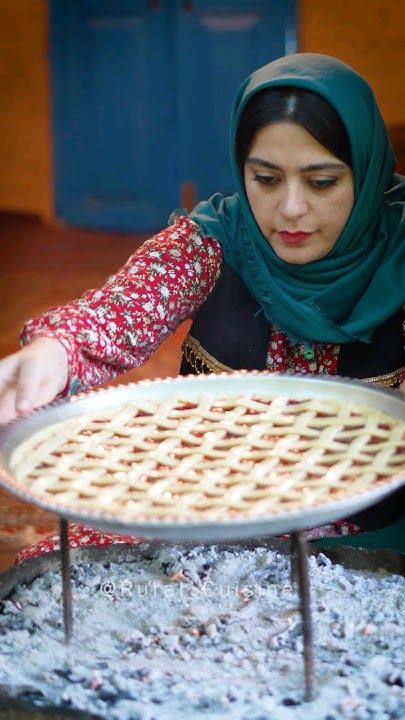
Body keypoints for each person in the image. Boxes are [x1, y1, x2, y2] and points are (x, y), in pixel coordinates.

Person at [0, 53, 404, 562]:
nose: (291, 209)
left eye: (322, 182)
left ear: (365, 173)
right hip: (199, 504)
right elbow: (120, 311)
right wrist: (55, 352)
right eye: (266, 179)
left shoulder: (399, 256)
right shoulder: (212, 241)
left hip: (348, 525)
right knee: (54, 566)